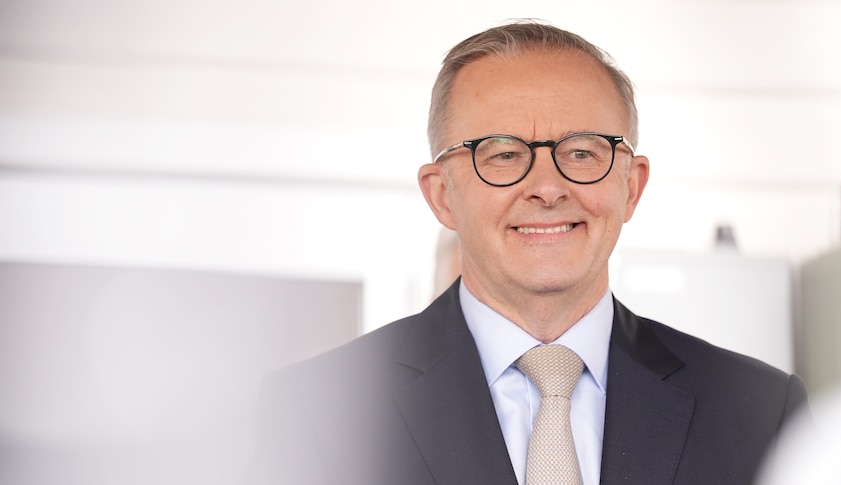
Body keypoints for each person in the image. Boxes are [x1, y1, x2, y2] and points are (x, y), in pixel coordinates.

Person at [246, 20, 809, 485]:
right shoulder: (316, 413)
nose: (547, 186)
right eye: (503, 154)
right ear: (442, 195)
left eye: (584, 152)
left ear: (631, 186)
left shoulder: (760, 412)